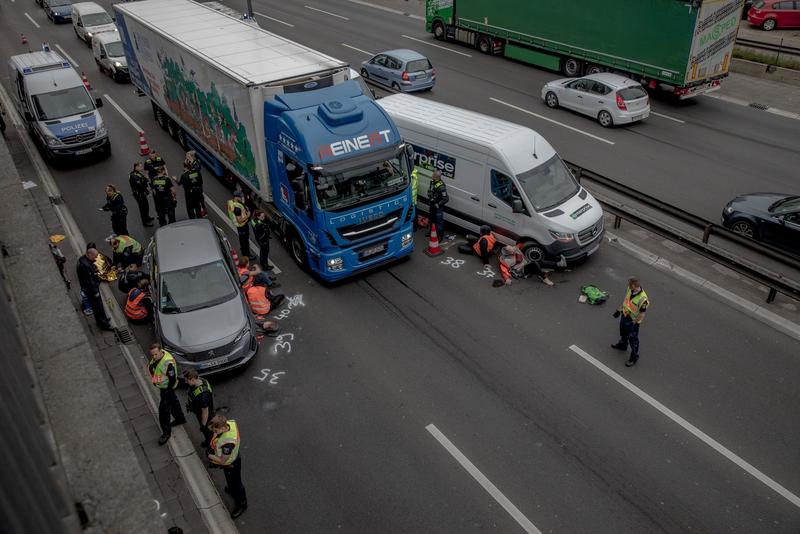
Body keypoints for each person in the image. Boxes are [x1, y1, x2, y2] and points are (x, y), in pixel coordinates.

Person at [207, 415, 247, 518]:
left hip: (231, 463)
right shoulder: (229, 423)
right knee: (230, 479)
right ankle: (231, 488)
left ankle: (242, 504)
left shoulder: (227, 444)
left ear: (224, 428)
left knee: (237, 483)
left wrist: (210, 456)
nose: (214, 433)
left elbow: (222, 460)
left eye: (216, 431)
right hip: (230, 461)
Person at [148, 343, 186, 445]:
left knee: (163, 412)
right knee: (174, 402)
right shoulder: (159, 358)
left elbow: (172, 379)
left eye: (156, 354)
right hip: (164, 388)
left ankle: (166, 433)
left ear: (161, 351)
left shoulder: (167, 363)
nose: (154, 357)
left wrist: (168, 391)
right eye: (152, 355)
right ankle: (180, 418)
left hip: (167, 389)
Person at [611, 277, 650, 367]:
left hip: (633, 321)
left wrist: (634, 322)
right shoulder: (630, 289)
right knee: (623, 331)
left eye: (629, 284)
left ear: (633, 285)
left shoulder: (643, 299)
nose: (628, 286)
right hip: (625, 315)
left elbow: (642, 314)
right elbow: (626, 301)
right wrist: (619, 310)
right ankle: (623, 345)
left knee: (633, 339)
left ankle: (634, 357)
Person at [76, 248, 113, 330]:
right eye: (95, 257)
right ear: (89, 255)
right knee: (98, 306)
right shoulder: (84, 266)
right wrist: (95, 291)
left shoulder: (83, 260)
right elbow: (89, 281)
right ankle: (104, 324)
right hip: (91, 290)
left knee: (97, 306)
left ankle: (101, 320)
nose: (96, 258)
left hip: (90, 288)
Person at [497, 245, 567, 287]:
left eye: (512, 247)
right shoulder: (506, 260)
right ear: (509, 253)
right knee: (534, 264)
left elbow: (518, 245)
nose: (514, 249)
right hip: (522, 271)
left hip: (526, 264)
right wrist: (506, 279)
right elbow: (503, 270)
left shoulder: (514, 249)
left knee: (540, 262)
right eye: (511, 249)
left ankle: (559, 265)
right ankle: (545, 279)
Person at [183, 369, 214, 448]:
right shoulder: (202, 380)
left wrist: (203, 425)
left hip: (206, 416)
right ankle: (208, 440)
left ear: (193, 379)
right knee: (208, 432)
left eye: (186, 380)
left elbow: (205, 411)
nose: (185, 382)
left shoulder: (202, 395)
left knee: (207, 431)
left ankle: (210, 445)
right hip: (202, 410)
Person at [178, 151, 204, 219]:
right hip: (195, 186)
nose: (186, 157)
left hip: (191, 189)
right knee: (197, 203)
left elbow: (180, 183)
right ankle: (199, 214)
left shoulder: (195, 163)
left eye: (187, 156)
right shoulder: (193, 169)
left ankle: (197, 213)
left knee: (192, 204)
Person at [227, 190, 251, 258]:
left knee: (243, 240)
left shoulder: (232, 202)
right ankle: (246, 255)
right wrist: (248, 215)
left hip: (241, 226)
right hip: (242, 226)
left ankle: (244, 251)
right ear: (237, 197)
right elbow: (239, 221)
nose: (242, 198)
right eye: (241, 197)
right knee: (244, 241)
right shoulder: (237, 208)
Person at [129, 162, 154, 227]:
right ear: (136, 167)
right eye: (140, 167)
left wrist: (145, 179)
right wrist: (147, 190)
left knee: (146, 206)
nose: (142, 168)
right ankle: (145, 222)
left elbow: (143, 180)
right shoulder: (133, 176)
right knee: (142, 208)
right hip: (139, 194)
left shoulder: (138, 173)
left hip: (142, 193)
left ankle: (147, 217)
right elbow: (140, 185)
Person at [427, 170, 448, 238]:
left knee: (439, 222)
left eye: (433, 175)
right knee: (431, 220)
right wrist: (429, 194)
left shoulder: (441, 186)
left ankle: (440, 236)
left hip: (438, 207)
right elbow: (430, 190)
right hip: (432, 205)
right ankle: (431, 231)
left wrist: (438, 204)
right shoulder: (433, 182)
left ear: (436, 176)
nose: (432, 175)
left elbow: (446, 199)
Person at [410, 167, 419, 231]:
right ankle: (415, 227)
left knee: (413, 215)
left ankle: (414, 228)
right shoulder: (414, 174)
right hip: (414, 199)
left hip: (412, 200)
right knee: (414, 214)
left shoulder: (412, 176)